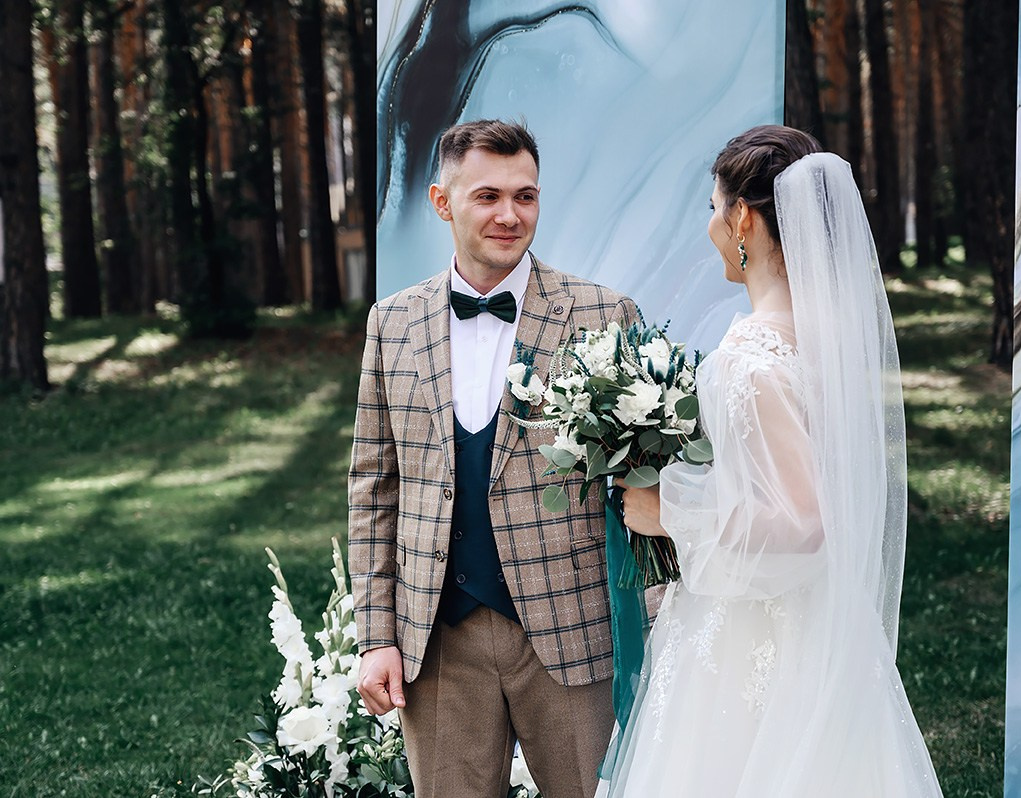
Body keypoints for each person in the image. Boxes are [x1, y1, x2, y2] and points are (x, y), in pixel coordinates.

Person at [597, 126, 944, 796]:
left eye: (713, 208)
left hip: (752, 637)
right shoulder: (821, 339)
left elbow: (804, 521)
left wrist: (669, 512)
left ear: (743, 220)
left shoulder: (752, 360)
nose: (710, 226)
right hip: (818, 617)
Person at [348, 119, 638, 798]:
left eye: (525, 196)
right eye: (487, 196)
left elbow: (638, 485)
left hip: (572, 629)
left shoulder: (604, 315)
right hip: (436, 640)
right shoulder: (392, 323)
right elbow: (373, 487)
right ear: (442, 201)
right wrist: (375, 636)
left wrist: (650, 622)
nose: (510, 215)